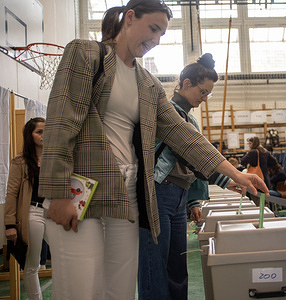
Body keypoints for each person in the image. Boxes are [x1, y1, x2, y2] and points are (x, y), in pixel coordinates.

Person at [38, 1, 269, 299]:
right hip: (81, 189)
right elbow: (61, 121)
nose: (157, 40)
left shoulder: (147, 83)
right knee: (80, 289)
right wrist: (57, 192)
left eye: (162, 34)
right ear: (130, 18)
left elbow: (183, 134)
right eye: (154, 29)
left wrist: (235, 174)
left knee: (120, 290)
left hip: (130, 194)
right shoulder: (86, 53)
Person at [138, 53, 237, 299]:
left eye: (208, 94)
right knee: (155, 266)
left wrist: (193, 201)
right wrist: (227, 179)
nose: (204, 99)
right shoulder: (167, 111)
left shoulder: (189, 118)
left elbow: (189, 167)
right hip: (158, 193)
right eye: (202, 92)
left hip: (178, 196)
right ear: (185, 84)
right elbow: (189, 155)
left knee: (178, 264)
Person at [5, 117, 47, 300]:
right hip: (33, 213)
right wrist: (9, 225)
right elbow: (11, 194)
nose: (43, 135)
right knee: (32, 265)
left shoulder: (54, 158)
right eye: (39, 132)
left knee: (64, 258)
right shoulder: (20, 162)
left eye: (46, 131)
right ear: (30, 135)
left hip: (54, 212)